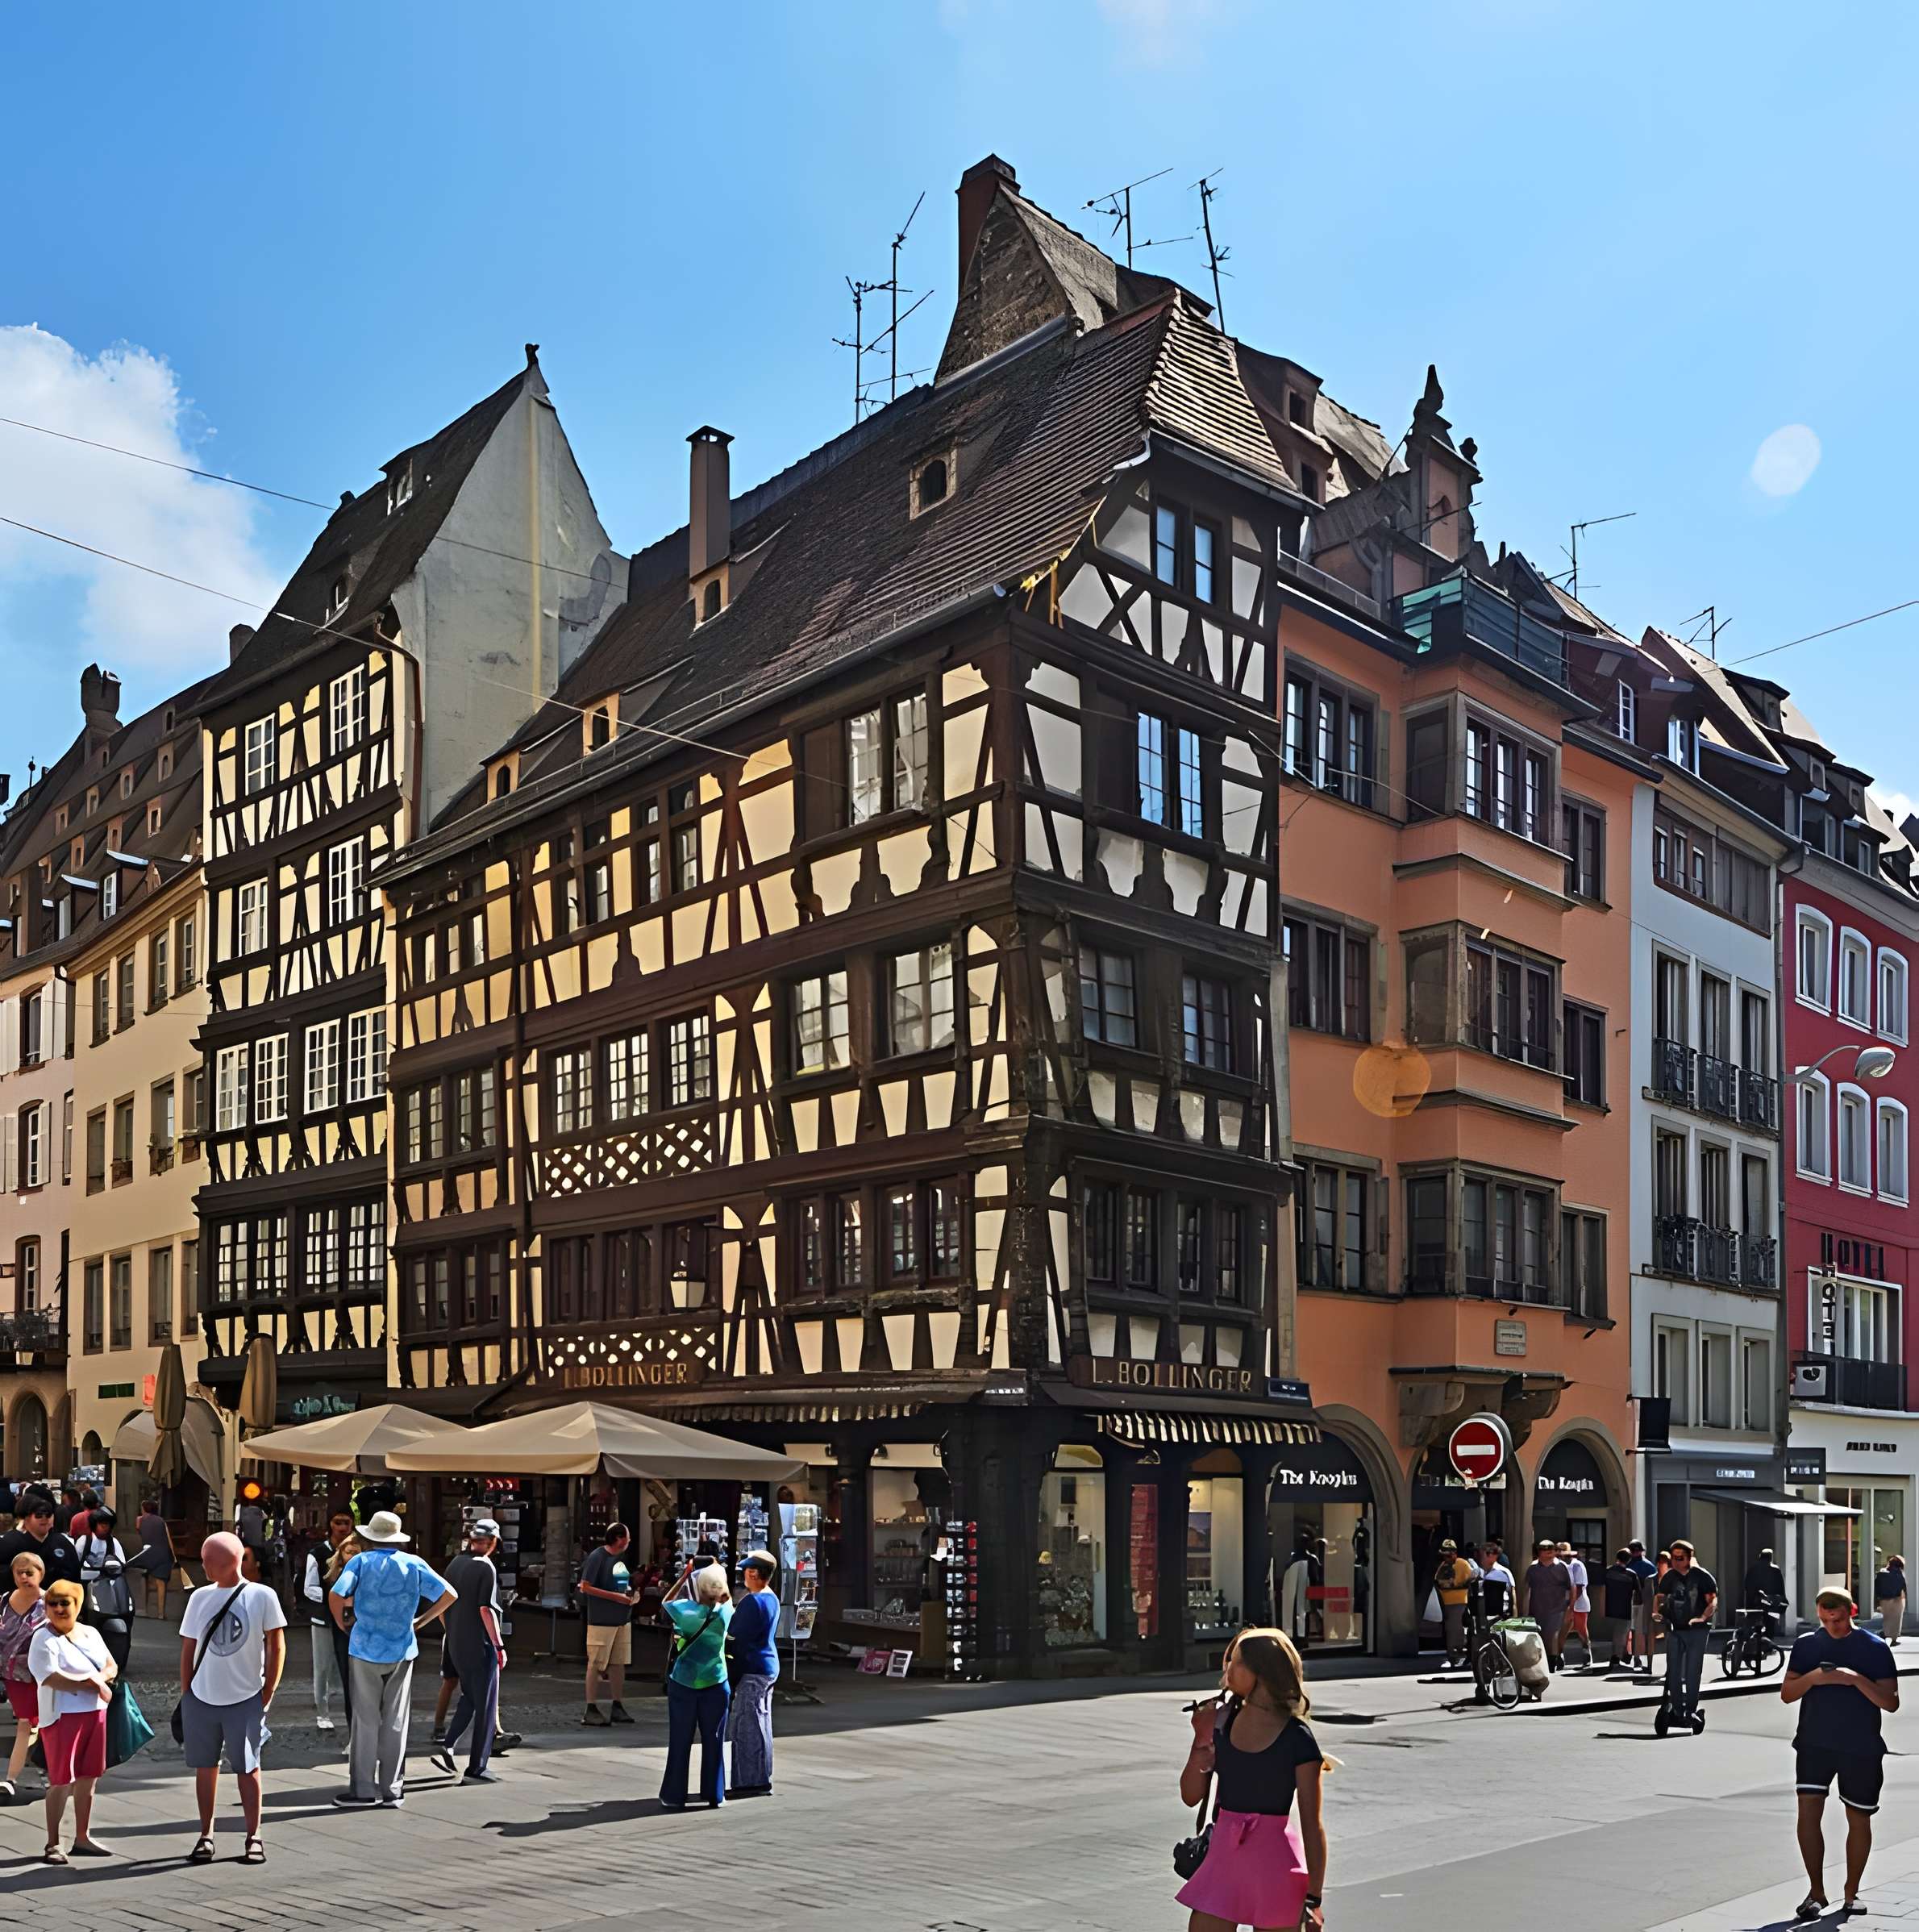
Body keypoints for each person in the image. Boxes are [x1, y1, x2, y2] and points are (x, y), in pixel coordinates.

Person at [1176, 1626, 1329, 1932]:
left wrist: (1314, 1898)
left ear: (1263, 1672)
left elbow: (1313, 1825)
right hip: (1224, 1859)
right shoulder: (1221, 1721)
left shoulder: (1297, 1738)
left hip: (1275, 1863)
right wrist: (1200, 1739)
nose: (1227, 1667)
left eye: (1236, 1660)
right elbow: (1191, 1796)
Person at [1782, 1585, 1900, 1921]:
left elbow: (1890, 1702)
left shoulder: (1874, 1648)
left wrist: (1854, 1680)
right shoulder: (1808, 1645)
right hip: (1813, 1742)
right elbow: (1788, 1693)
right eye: (1824, 1620)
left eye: (1836, 1620)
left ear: (1851, 1612)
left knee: (1858, 1816)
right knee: (1808, 1814)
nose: (1830, 1627)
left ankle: (1851, 1894)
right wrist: (1816, 1678)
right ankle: (1815, 1893)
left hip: (1860, 1746)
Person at [327, 1509, 455, 1809]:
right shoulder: (414, 1563)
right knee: (396, 1719)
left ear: (370, 1536)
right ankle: (392, 1789)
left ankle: (362, 1789)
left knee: (365, 1718)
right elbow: (449, 1594)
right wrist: (421, 1621)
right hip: (402, 1647)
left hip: (365, 1646)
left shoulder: (360, 1561)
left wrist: (344, 1624)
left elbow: (336, 1594)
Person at [178, 1530, 285, 1866]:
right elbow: (188, 1648)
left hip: (245, 1696)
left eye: (209, 1559)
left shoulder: (262, 1596)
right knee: (205, 1767)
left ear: (228, 1561)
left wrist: (267, 1690)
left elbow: (276, 1644)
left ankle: (254, 1836)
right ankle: (205, 1834)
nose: (204, 1565)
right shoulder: (199, 1598)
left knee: (248, 1767)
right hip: (203, 1696)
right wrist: (187, 1693)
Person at [27, 1579, 114, 1863]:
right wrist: (90, 1682)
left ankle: (82, 1837)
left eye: (66, 1602)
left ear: (78, 1605)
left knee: (89, 1778)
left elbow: (111, 1665)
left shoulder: (90, 1633)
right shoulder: (43, 1638)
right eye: (52, 1603)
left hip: (95, 1713)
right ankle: (53, 1843)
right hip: (62, 1716)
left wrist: (98, 1681)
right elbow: (51, 1677)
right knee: (61, 1780)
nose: (59, 1609)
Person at [431, 1518, 507, 1786]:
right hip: (480, 1644)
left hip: (456, 1642)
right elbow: (486, 1610)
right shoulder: (486, 1568)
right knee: (485, 1704)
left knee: (470, 1697)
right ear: (494, 1542)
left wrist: (451, 1631)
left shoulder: (455, 1564)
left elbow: (443, 1603)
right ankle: (478, 1766)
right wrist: (498, 1646)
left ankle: (449, 1744)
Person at [659, 1560, 734, 1810]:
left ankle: (674, 1795)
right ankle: (714, 1794)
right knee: (714, 1739)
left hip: (684, 1682)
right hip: (716, 1679)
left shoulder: (686, 1612)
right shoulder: (725, 1613)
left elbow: (666, 1601)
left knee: (680, 1740)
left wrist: (685, 1576)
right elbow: (728, 1598)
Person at [726, 1549, 781, 1798]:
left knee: (747, 1725)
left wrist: (732, 1676)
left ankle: (750, 1781)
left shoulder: (752, 1601)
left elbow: (737, 1641)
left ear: (753, 1573)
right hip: (767, 1665)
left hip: (752, 1668)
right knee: (762, 1723)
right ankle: (761, 1775)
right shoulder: (771, 1598)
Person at [579, 1522, 640, 1726]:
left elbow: (620, 1583)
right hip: (601, 1620)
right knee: (596, 1664)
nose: (629, 1541)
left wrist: (630, 1594)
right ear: (619, 1539)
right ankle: (590, 1707)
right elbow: (585, 1587)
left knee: (618, 1663)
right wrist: (615, 1597)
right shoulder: (598, 1556)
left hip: (621, 1619)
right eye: (627, 1537)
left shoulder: (619, 1558)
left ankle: (617, 1704)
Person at [302, 1509, 356, 1733]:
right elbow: (308, 1587)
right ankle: (322, 1713)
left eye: (346, 1522)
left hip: (350, 1619)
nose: (342, 1527)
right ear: (330, 1525)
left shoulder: (357, 1552)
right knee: (322, 1666)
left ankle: (351, 1711)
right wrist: (332, 1598)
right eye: (338, 1522)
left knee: (349, 1667)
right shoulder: (318, 1553)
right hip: (324, 1616)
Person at [0, 1550, 48, 1801]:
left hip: (45, 1675)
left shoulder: (51, 1601)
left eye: (29, 1573)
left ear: (41, 1574)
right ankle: (12, 1778)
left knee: (40, 1724)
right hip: (14, 1677)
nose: (24, 1577)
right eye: (19, 1573)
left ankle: (25, 1776)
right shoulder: (4, 1601)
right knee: (27, 1724)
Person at [1655, 1538, 1717, 1722]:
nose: (1676, 1562)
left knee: (1692, 1671)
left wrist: (1703, 1617)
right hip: (1675, 1628)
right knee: (1673, 1670)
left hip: (1697, 1630)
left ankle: (1691, 1709)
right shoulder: (1669, 1577)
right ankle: (1677, 1710)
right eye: (1673, 1558)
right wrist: (1658, 1612)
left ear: (1690, 1558)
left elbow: (1712, 1601)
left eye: (1680, 1558)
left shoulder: (1702, 1576)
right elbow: (1660, 1597)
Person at [76, 1506, 135, 1682]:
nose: (105, 1528)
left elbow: (121, 1563)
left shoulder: (114, 1542)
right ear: (94, 1525)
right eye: (102, 1524)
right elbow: (74, 1561)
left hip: (107, 1583)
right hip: (86, 1582)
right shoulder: (84, 1541)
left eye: (107, 1525)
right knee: (78, 1612)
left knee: (127, 1607)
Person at [0, 1487, 83, 1592]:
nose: (44, 1518)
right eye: (39, 1515)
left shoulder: (62, 1543)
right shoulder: (9, 1543)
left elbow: (75, 1577)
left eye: (48, 1514)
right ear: (27, 1517)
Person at [1521, 1540, 1572, 1670]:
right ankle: (1546, 1659)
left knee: (1552, 1634)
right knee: (1541, 1635)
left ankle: (1552, 1661)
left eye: (1552, 1548)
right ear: (1540, 1552)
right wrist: (1524, 1611)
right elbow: (1526, 1589)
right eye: (1545, 1549)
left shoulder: (1562, 1567)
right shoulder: (1533, 1568)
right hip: (1537, 1607)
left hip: (1557, 1607)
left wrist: (1570, 1607)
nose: (1549, 1551)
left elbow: (1571, 1588)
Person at [1600, 1549, 1645, 1672]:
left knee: (1614, 1635)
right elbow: (1638, 1594)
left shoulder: (1608, 1571)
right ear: (1629, 1560)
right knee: (1621, 1635)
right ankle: (1616, 1659)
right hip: (1625, 1609)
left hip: (1610, 1608)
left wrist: (1602, 1608)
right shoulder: (1631, 1575)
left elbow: (1602, 1589)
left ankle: (1620, 1656)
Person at [1432, 1540, 1474, 1668]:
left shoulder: (1463, 1564)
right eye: (1444, 1556)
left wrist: (1453, 1586)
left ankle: (1457, 1653)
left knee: (1454, 1627)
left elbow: (1470, 1581)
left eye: (1449, 1555)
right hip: (1445, 1602)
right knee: (1451, 1627)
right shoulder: (1443, 1566)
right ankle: (1454, 1654)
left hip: (1459, 1601)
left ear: (1455, 1553)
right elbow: (1437, 1580)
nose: (1447, 1558)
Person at [132, 1497, 174, 1620]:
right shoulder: (161, 1521)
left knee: (144, 1578)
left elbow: (139, 1531)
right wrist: (173, 1556)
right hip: (162, 1554)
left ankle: (144, 1609)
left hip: (147, 1554)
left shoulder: (140, 1520)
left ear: (144, 1509)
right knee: (161, 1584)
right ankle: (161, 1613)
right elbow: (168, 1539)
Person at [1626, 1540, 1658, 1676]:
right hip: (1635, 1601)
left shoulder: (1645, 1566)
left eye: (1636, 1550)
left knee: (1637, 1631)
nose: (1635, 1553)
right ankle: (1633, 1657)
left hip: (1640, 1602)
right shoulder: (1642, 1565)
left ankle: (1636, 1658)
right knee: (1633, 1631)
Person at [1557, 1542, 1592, 1667]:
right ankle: (1559, 1656)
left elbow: (1579, 1587)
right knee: (1562, 1631)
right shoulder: (1558, 1566)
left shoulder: (1577, 1565)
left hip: (1579, 1603)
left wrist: (1571, 1605)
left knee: (1581, 1629)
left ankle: (1586, 1652)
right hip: (1563, 1604)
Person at [1871, 1554, 1905, 1647]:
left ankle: (1886, 1635)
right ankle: (1893, 1638)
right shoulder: (1900, 1574)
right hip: (1897, 1599)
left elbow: (1877, 1587)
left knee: (1887, 1619)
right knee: (1896, 1620)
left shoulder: (1881, 1574)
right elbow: (1903, 1587)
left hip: (1884, 1599)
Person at [1476, 1543, 1515, 1619]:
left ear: (1491, 1556)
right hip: (1485, 1618)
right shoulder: (1480, 1572)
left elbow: (1512, 1595)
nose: (1480, 1559)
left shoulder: (1502, 1573)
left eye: (1482, 1556)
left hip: (1498, 1619)